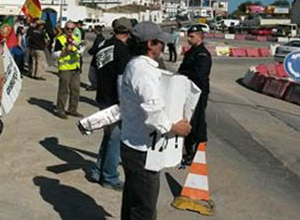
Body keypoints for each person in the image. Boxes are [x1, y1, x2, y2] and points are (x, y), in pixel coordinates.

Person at [120, 21, 192, 220]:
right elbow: (153, 108)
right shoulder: (143, 71)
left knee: (133, 201)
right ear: (150, 44)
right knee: (144, 208)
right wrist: (174, 128)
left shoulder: (137, 66)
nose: (163, 46)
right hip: (141, 150)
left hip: (133, 143)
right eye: (160, 42)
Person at [89, 18, 132, 191]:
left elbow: (92, 73)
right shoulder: (123, 51)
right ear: (128, 32)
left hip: (102, 98)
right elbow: (122, 80)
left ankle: (98, 171)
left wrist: (99, 85)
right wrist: (124, 103)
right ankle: (110, 177)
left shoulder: (103, 46)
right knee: (115, 140)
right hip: (115, 102)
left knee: (108, 136)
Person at [177, 25, 212, 167]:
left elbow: (200, 75)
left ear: (199, 36)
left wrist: (185, 74)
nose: (188, 39)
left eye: (191, 36)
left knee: (197, 122)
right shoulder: (191, 52)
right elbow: (183, 68)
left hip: (198, 92)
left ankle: (196, 152)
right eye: (188, 36)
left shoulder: (202, 54)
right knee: (187, 119)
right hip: (187, 91)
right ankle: (188, 150)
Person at [53, 21, 84, 119]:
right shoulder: (60, 40)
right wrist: (65, 51)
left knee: (76, 89)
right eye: (68, 29)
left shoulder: (76, 39)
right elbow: (54, 55)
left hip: (75, 68)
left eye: (72, 29)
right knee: (64, 90)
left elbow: (80, 51)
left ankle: (72, 109)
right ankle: (60, 110)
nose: (70, 31)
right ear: (64, 29)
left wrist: (81, 49)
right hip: (65, 68)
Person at [86, 25, 105, 91]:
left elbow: (95, 48)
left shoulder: (99, 39)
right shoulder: (102, 38)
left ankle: (94, 85)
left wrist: (90, 52)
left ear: (97, 30)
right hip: (100, 57)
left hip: (96, 57)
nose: (94, 31)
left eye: (95, 30)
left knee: (92, 73)